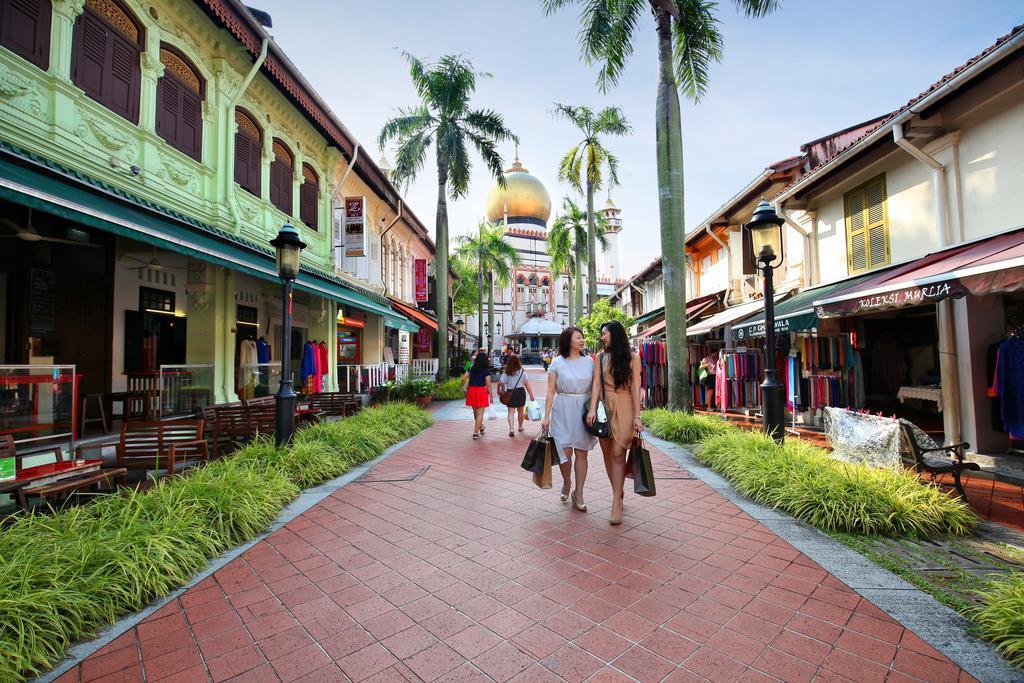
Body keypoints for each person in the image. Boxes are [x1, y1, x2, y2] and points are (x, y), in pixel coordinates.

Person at [587, 321, 643, 525]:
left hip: (626, 405)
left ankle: (616, 503)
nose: (602, 337)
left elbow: (636, 387)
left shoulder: (633, 357)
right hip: (604, 406)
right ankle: (618, 492)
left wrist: (638, 416)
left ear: (615, 334)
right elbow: (595, 384)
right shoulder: (599, 358)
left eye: (605, 334)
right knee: (608, 455)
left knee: (619, 454)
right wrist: (592, 408)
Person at [542, 327, 597, 512]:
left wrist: (593, 409)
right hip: (562, 407)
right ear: (568, 341)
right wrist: (546, 415)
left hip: (582, 408)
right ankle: (567, 482)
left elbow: (595, 389)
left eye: (582, 337)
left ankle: (579, 493)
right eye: (578, 337)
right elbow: (550, 391)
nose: (582, 340)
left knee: (582, 452)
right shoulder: (557, 363)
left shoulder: (590, 362)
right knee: (564, 451)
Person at [499, 354, 535, 437]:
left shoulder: (507, 372)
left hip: (510, 392)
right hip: (520, 392)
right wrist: (531, 395)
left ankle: (511, 429)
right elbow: (527, 384)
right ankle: (520, 426)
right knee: (520, 411)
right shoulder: (522, 372)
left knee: (511, 412)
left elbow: (501, 382)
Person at [462, 351, 492, 439]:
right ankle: (475, 432)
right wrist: (491, 395)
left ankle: (481, 427)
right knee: (480, 413)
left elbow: (463, 378)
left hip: (472, 390)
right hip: (481, 391)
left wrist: (464, 386)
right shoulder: (486, 370)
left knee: (475, 412)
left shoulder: (471, 367)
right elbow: (488, 384)